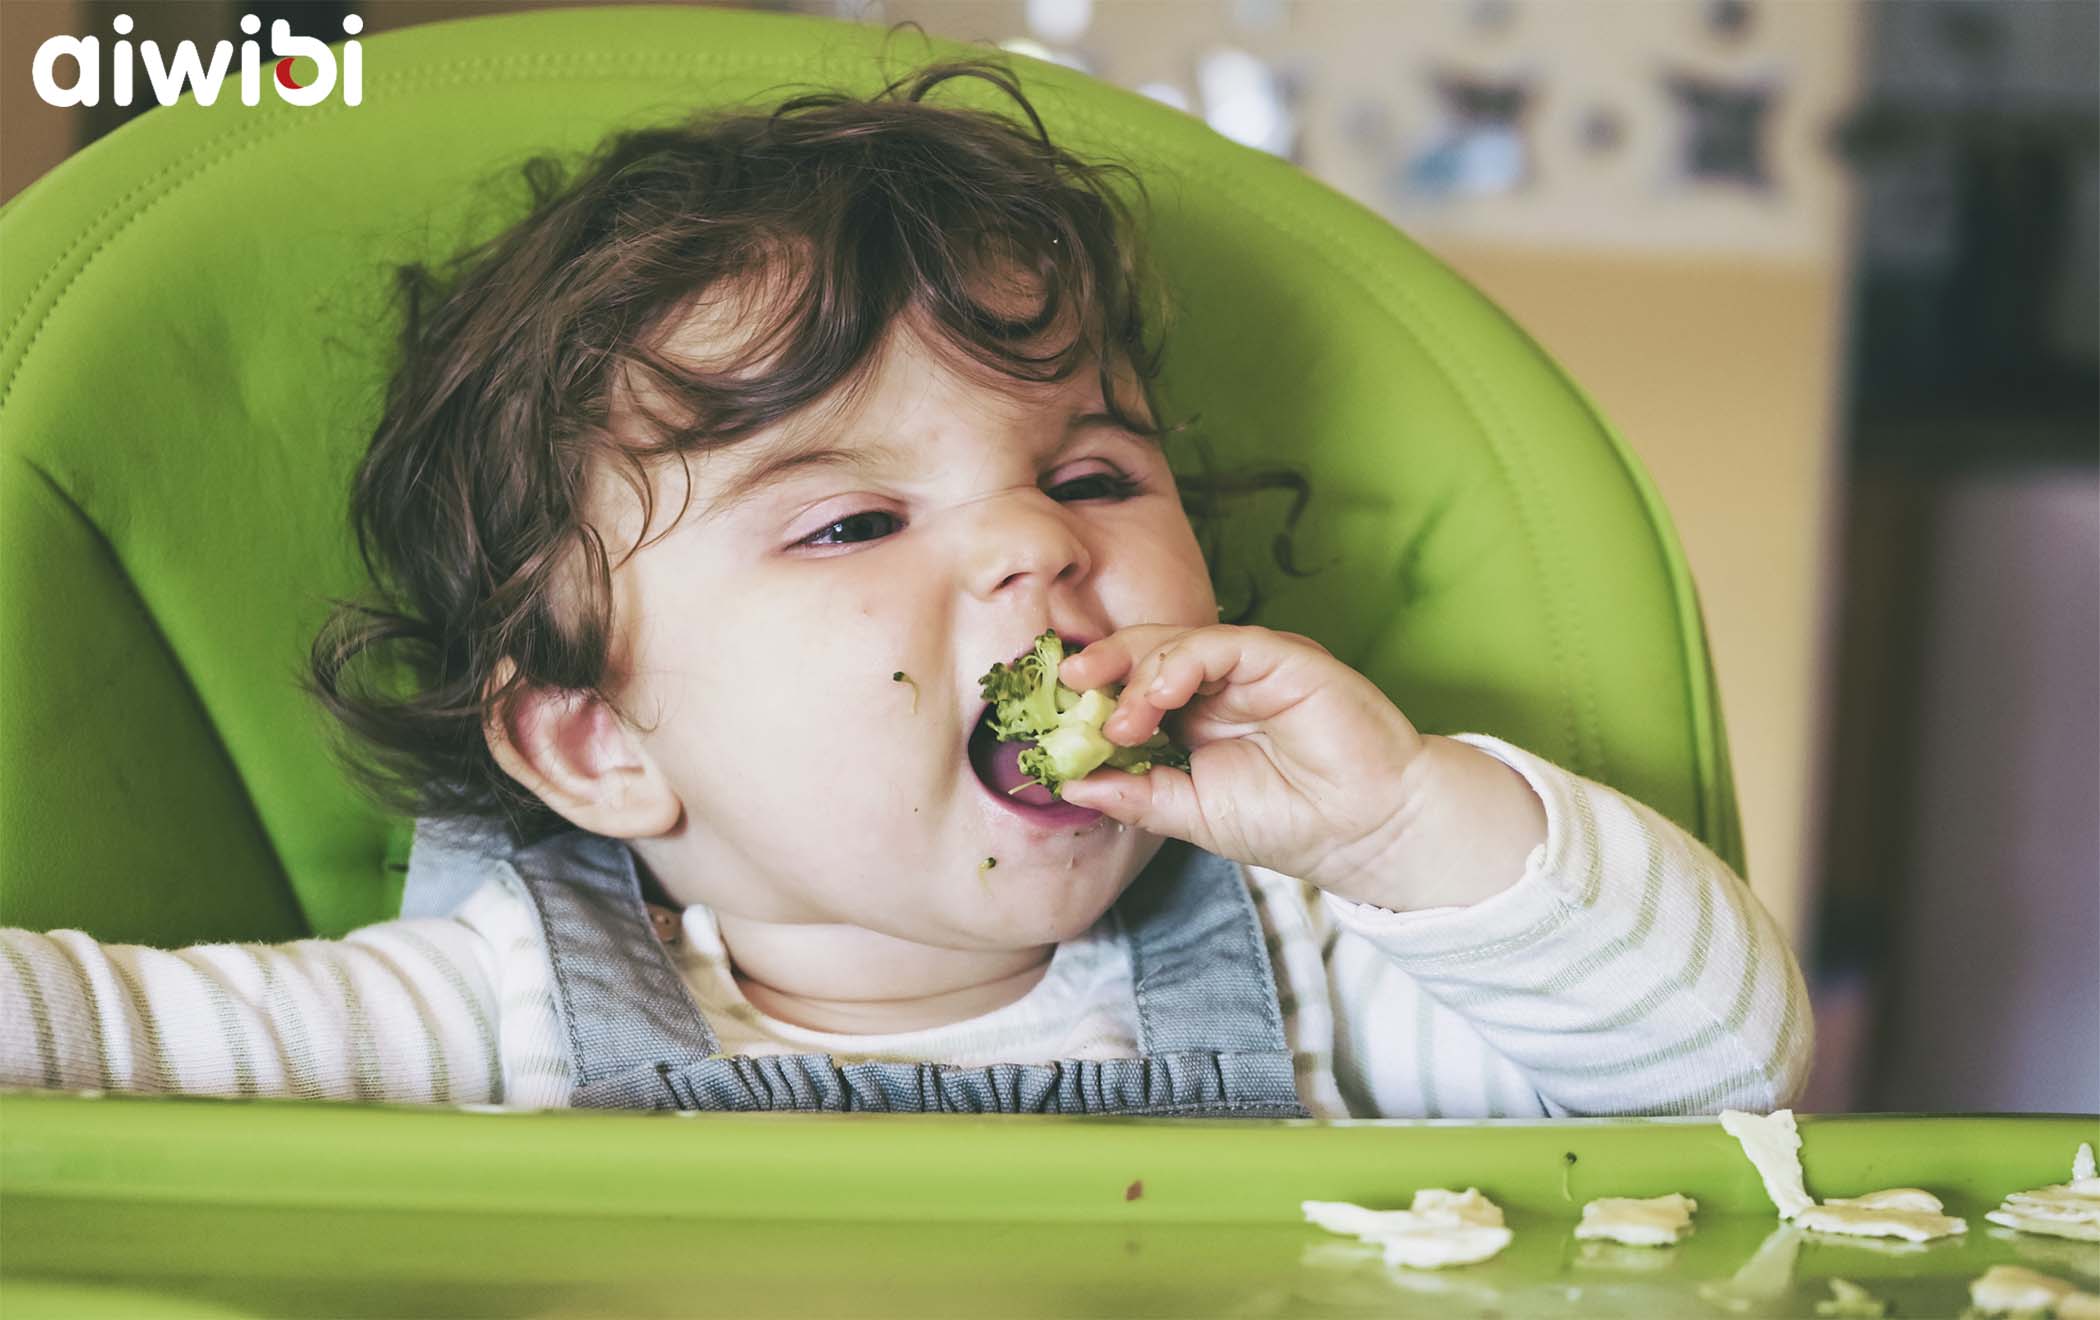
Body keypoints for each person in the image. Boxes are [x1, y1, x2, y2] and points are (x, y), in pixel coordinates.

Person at [0, 56, 1810, 1119]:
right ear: (596, 737)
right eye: (852, 525)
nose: (1038, 544)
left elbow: (1718, 1069)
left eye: (1091, 472)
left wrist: (1408, 823)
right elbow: (103, 1039)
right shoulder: (497, 1020)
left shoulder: (1317, 971)